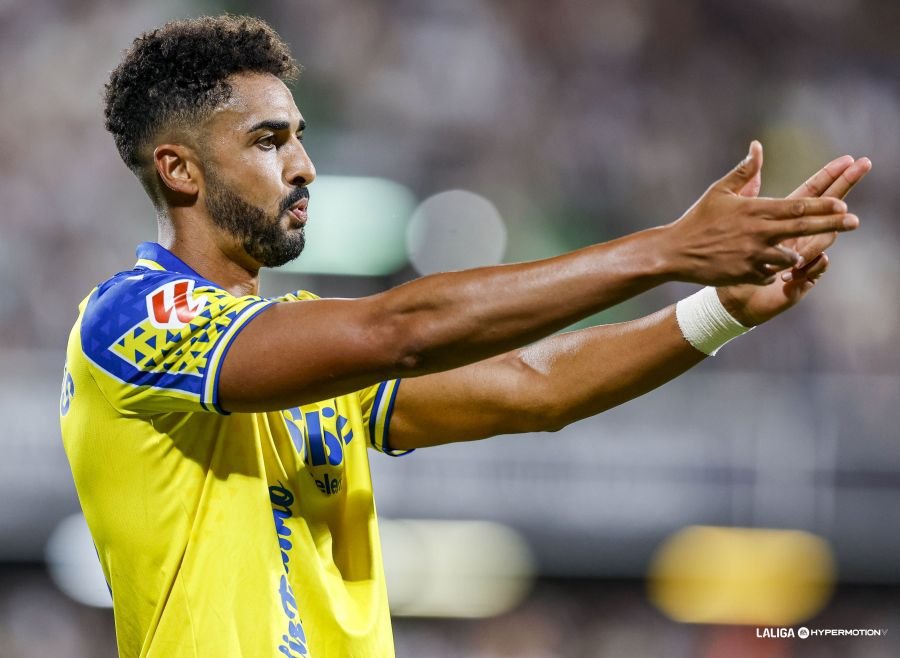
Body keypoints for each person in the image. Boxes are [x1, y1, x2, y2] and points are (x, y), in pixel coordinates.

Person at [59, 14, 871, 658]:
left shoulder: (292, 342)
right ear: (179, 169)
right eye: (269, 141)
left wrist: (714, 307)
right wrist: (665, 250)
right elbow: (401, 331)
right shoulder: (131, 319)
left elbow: (532, 386)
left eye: (300, 135)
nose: (304, 165)